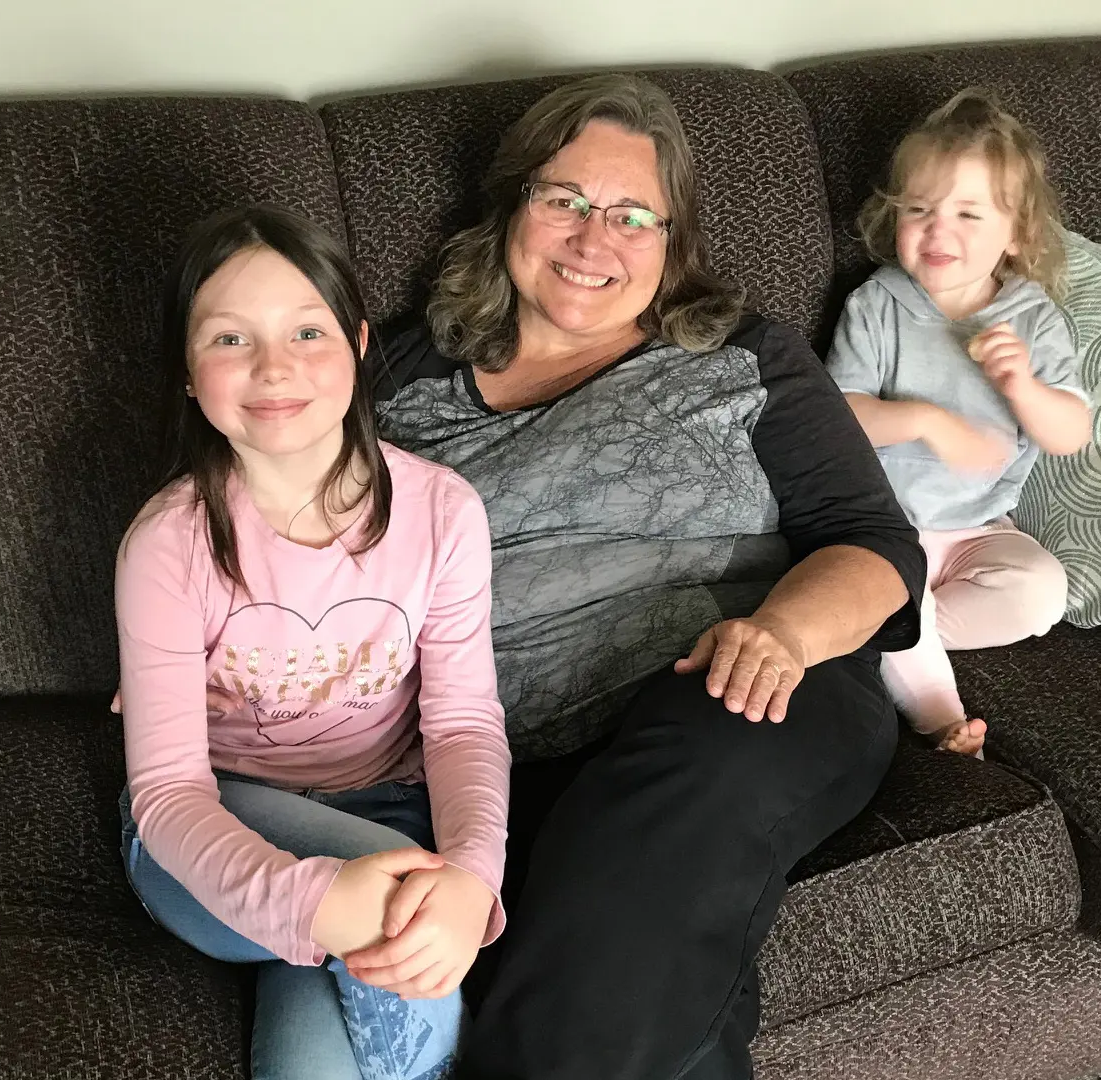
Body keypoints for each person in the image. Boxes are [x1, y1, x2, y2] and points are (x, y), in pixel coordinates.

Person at [368, 74, 926, 1079]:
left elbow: (878, 547)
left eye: (634, 216)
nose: (595, 239)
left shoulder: (744, 357)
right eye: (566, 202)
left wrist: (785, 634)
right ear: (510, 209)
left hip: (742, 691)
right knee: (646, 963)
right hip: (497, 750)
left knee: (691, 784)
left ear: (673, 244)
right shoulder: (395, 382)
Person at [113, 205, 509, 1080]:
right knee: (395, 896)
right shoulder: (167, 545)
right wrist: (319, 899)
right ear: (187, 371)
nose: (274, 366)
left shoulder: (443, 511)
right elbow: (170, 794)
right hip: (211, 833)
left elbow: (464, 725)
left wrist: (475, 875)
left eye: (305, 330)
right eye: (228, 339)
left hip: (397, 810)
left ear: (359, 344)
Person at [827, 88, 1092, 757]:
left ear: (1019, 235)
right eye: (919, 210)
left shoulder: (1033, 321)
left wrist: (1023, 387)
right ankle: (941, 717)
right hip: (884, 527)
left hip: (981, 532)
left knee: (1042, 592)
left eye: (969, 214)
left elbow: (1071, 434)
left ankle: (878, 634)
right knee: (893, 587)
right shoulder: (877, 305)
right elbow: (837, 419)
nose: (938, 231)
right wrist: (925, 421)